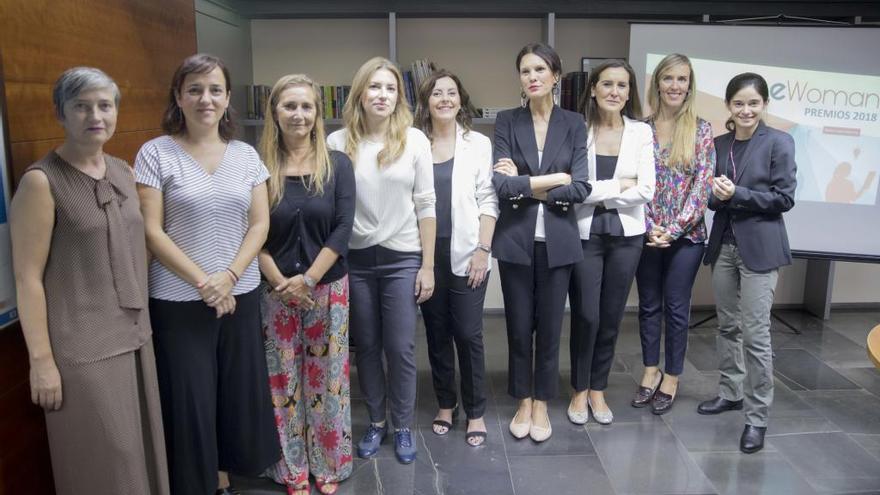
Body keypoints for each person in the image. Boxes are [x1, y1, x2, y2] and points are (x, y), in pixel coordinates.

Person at [10, 67, 169, 495]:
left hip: (135, 337)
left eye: (104, 105)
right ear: (61, 113)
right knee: (105, 461)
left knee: (139, 453)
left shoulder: (122, 170)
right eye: (81, 106)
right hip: (83, 350)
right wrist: (41, 362)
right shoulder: (41, 182)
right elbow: (27, 279)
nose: (95, 115)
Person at [135, 53, 278, 494]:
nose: (205, 99)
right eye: (194, 89)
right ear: (178, 96)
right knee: (191, 398)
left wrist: (230, 277)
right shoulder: (155, 153)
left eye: (215, 89)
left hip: (241, 293)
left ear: (228, 97)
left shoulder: (246, 155)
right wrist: (205, 281)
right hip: (179, 301)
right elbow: (151, 231)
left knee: (236, 391)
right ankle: (197, 483)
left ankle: (224, 474)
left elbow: (259, 223)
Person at [327, 56, 436, 464]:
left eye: (390, 88)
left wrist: (427, 265)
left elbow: (426, 204)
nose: (382, 95)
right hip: (354, 258)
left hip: (402, 258)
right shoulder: (337, 144)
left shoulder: (415, 140)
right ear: (360, 93)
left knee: (401, 346)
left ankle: (403, 426)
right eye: (374, 87)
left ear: (399, 97)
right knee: (367, 347)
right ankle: (376, 422)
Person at [257, 74, 356, 495]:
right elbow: (250, 233)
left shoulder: (338, 165)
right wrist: (282, 282)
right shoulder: (256, 167)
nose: (299, 115)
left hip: (327, 289)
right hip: (274, 292)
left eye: (307, 106)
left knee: (327, 378)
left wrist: (310, 278)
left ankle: (328, 463)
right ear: (274, 112)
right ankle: (291, 467)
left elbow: (342, 228)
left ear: (318, 113)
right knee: (282, 382)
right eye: (289, 106)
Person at [492, 42, 590, 442]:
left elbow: (581, 186)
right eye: (525, 71)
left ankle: (542, 401)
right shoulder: (506, 120)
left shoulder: (574, 123)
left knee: (549, 327)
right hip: (516, 240)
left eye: (539, 70)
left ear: (555, 76)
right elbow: (501, 186)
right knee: (518, 326)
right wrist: (554, 179)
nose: (532, 77)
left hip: (559, 242)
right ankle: (522, 398)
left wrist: (525, 184)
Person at [698, 72, 797, 455]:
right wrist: (717, 195)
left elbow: (783, 198)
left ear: (764, 105)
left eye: (753, 103)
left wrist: (737, 193)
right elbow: (710, 200)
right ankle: (731, 392)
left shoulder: (779, 142)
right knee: (727, 326)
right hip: (723, 245)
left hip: (761, 247)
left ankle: (757, 417)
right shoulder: (719, 144)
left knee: (756, 335)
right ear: (728, 106)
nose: (746, 110)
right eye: (738, 103)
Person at [565, 60, 655, 426]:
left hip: (626, 238)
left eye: (622, 85)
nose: (614, 92)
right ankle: (578, 388)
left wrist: (596, 193)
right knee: (586, 315)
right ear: (593, 89)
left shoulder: (641, 134)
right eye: (607, 84)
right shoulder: (577, 129)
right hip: (583, 235)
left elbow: (646, 190)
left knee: (611, 318)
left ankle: (598, 389)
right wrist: (619, 186)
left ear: (629, 92)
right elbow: (572, 191)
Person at [414, 69, 498, 447]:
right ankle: (446, 404)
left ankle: (476, 409)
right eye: (436, 94)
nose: (444, 99)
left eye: (451, 92)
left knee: (467, 333)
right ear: (426, 102)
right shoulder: (414, 143)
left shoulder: (477, 143)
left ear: (460, 100)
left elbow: (488, 199)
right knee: (436, 333)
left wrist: (483, 249)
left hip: (468, 253)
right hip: (426, 254)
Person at [632, 53, 715, 415]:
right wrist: (652, 228)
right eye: (668, 78)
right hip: (647, 233)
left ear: (690, 85)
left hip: (688, 238)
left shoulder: (701, 129)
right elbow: (635, 182)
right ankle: (650, 370)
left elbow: (702, 186)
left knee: (676, 308)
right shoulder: (640, 129)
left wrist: (675, 229)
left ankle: (672, 376)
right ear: (657, 84)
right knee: (648, 306)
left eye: (682, 79)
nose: (675, 86)